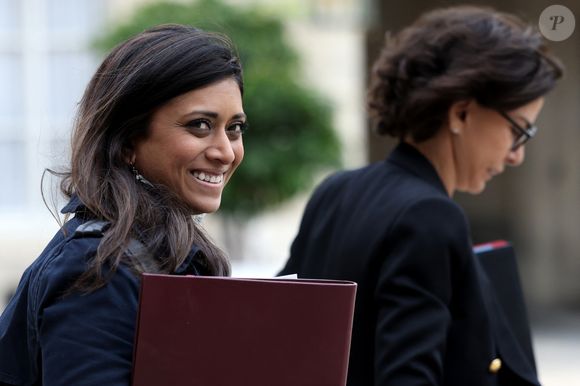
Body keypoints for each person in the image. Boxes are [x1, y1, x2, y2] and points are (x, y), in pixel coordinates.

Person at [279, 6, 563, 386]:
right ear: (461, 113)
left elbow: (283, 336)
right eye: (519, 130)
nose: (517, 154)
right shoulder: (429, 214)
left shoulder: (336, 190)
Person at [0, 24, 246, 385]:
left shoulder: (157, 250)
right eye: (199, 125)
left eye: (235, 128)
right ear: (127, 141)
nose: (225, 152)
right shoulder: (100, 267)